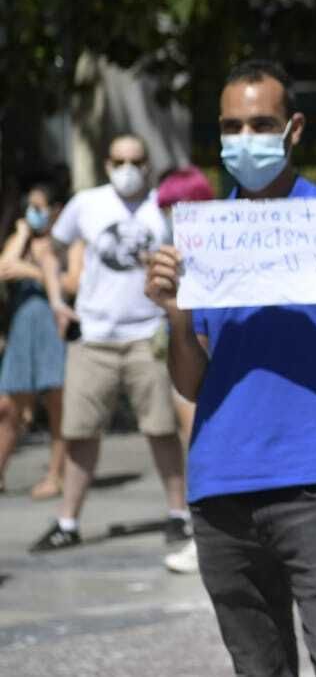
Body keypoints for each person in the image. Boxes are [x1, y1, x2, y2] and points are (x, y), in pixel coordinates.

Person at [144, 59, 316, 676]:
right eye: (231, 127)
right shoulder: (205, 235)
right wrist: (177, 316)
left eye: (261, 124)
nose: (245, 139)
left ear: (294, 129)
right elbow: (190, 383)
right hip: (220, 492)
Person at [30, 134, 190, 559]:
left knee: (161, 429)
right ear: (106, 164)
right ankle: (68, 522)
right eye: (118, 161)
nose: (127, 169)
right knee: (79, 431)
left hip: (148, 336)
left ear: (148, 164)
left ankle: (179, 513)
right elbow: (49, 249)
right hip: (94, 337)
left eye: (135, 161)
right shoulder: (87, 203)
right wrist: (56, 300)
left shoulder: (164, 207)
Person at [152, 164, 216, 575]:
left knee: (199, 442)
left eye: (178, 207)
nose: (171, 216)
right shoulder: (172, 250)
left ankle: (204, 537)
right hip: (179, 349)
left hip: (201, 356)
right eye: (166, 208)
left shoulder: (209, 252)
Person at [0, 177, 75, 498]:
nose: (32, 212)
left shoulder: (67, 243)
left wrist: (32, 271)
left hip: (53, 328)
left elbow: (72, 284)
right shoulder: (22, 241)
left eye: (38, 207)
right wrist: (21, 234)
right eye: (28, 207)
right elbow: (4, 267)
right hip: (22, 330)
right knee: (7, 406)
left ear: (56, 210)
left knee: (58, 406)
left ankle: (56, 474)